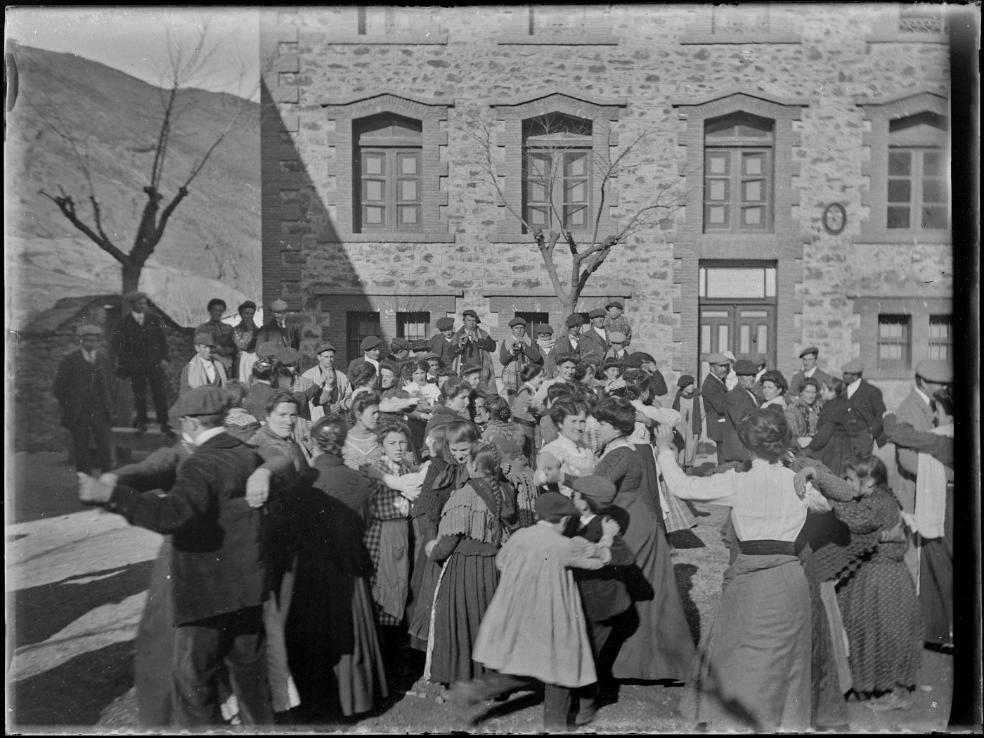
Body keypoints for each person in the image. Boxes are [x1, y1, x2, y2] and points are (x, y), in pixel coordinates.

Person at [77, 386, 275, 726]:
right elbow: (152, 469)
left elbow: (172, 514)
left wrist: (113, 495)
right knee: (251, 681)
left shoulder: (199, 463)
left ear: (189, 422)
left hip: (207, 596)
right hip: (247, 591)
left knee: (192, 682)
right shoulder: (246, 454)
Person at [655, 409, 834, 732]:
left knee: (742, 662)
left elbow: (683, 487)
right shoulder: (798, 482)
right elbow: (826, 505)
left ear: (749, 446)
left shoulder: (738, 481)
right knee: (785, 667)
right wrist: (805, 473)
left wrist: (666, 450)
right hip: (788, 580)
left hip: (752, 581)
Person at [452, 492, 609, 732]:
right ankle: (554, 726)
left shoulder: (520, 536)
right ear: (564, 520)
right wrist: (606, 540)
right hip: (550, 613)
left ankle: (472, 691)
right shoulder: (563, 545)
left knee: (519, 664)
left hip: (517, 611)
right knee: (559, 670)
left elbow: (501, 562)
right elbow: (597, 561)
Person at [286, 414, 389, 720]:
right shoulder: (359, 480)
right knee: (355, 631)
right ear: (342, 443)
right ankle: (357, 696)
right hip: (350, 568)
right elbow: (366, 521)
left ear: (315, 442)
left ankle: (317, 698)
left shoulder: (304, 480)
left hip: (312, 572)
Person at [585, 398, 695, 683]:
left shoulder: (619, 453)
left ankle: (633, 664)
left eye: (604, 424)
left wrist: (565, 477)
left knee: (626, 594)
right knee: (646, 596)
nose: (600, 428)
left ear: (617, 427)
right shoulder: (622, 449)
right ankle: (644, 663)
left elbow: (596, 489)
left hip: (631, 526)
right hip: (637, 521)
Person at [811, 455, 923, 711]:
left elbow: (859, 521)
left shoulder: (878, 502)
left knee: (886, 632)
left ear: (869, 481)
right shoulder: (880, 497)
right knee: (868, 629)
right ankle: (869, 684)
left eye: (849, 479)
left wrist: (830, 499)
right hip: (875, 575)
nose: (845, 483)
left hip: (884, 578)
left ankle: (896, 691)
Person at [427, 443, 517, 686]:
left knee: (461, 622)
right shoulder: (506, 491)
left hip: (466, 570)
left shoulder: (466, 494)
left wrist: (433, 550)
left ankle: (461, 678)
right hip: (494, 569)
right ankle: (493, 681)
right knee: (490, 624)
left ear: (475, 466)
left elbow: (448, 541)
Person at [885, 389, 955, 651]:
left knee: (938, 563)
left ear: (946, 413)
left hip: (945, 505)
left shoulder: (941, 439)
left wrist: (890, 417)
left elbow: (900, 434)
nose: (934, 417)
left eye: (936, 411)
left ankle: (942, 631)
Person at [568, 476, 636, 726]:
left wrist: (600, 549)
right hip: (583, 600)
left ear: (585, 502)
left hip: (601, 604)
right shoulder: (574, 520)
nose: (570, 498)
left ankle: (586, 704)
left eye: (574, 495)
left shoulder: (606, 524)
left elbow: (625, 555)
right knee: (583, 650)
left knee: (589, 655)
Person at [408, 421, 478, 652]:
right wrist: (430, 538)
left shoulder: (479, 466)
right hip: (442, 542)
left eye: (464, 450)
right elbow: (427, 507)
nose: (459, 455)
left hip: (470, 543)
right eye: (454, 450)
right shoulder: (439, 467)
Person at [364, 420, 422, 667]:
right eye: (392, 443)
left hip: (401, 528)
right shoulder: (378, 467)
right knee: (387, 587)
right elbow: (366, 473)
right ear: (382, 445)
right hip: (384, 530)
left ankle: (397, 650)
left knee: (399, 585)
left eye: (401, 442)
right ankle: (389, 656)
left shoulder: (406, 465)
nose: (398, 447)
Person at [54, 324, 115, 474]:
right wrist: (70, 405)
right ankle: (85, 486)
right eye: (87, 340)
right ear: (81, 341)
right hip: (79, 412)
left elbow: (111, 384)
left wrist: (108, 404)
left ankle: (107, 483)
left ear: (98, 341)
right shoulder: (70, 359)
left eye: (94, 340)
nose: (91, 343)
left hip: (100, 410)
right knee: (81, 449)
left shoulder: (103, 358)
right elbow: (58, 388)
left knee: (105, 446)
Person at [115, 290, 170, 434]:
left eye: (144, 303)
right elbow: (122, 347)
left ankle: (163, 422)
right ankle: (142, 422)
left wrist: (164, 358)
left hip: (154, 363)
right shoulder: (124, 323)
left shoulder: (154, 319)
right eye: (139, 304)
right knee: (139, 393)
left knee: (159, 392)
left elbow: (162, 341)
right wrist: (124, 366)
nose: (143, 306)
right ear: (132, 305)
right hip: (136, 365)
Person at [482, 394, 537, 528]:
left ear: (488, 414)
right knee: (529, 521)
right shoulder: (519, 428)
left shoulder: (488, 433)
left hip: (509, 483)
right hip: (528, 479)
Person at [807, 376, 870, 476]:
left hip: (835, 451)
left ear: (833, 392)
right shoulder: (841, 403)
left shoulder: (832, 408)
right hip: (845, 448)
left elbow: (823, 436)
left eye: (824, 389)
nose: (821, 392)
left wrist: (809, 448)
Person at [537, 396, 598, 493]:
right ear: (560, 423)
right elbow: (538, 480)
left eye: (582, 421)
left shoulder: (584, 446)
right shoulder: (553, 450)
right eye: (573, 421)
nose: (579, 427)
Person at [720, 359, 761, 464]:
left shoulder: (754, 395)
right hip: (739, 451)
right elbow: (741, 422)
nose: (752, 379)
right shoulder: (733, 396)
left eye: (753, 375)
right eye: (747, 376)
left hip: (750, 448)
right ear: (738, 377)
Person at [840, 359, 885, 455]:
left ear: (855, 376)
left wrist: (871, 433)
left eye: (846, 374)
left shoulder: (871, 391)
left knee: (862, 465)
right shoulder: (841, 389)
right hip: (845, 437)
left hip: (863, 437)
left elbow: (881, 414)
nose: (843, 376)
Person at [301, 341, 353, 421]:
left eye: (331, 357)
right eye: (326, 357)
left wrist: (340, 406)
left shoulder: (342, 377)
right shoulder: (307, 376)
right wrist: (326, 409)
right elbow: (305, 401)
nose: (329, 360)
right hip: (315, 419)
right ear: (319, 357)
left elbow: (348, 396)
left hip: (336, 418)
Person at [451, 310, 497, 389]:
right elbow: (450, 354)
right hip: (463, 371)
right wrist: (459, 345)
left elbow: (493, 347)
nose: (471, 323)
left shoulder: (483, 333)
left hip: (480, 370)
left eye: (474, 321)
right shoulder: (457, 335)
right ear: (464, 321)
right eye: (469, 320)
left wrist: (477, 340)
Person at [498, 316, 542, 399]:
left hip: (527, 374)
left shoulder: (530, 341)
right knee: (512, 401)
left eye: (521, 328)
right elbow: (502, 361)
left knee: (526, 400)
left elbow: (537, 358)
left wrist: (525, 347)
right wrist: (511, 352)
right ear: (512, 329)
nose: (519, 330)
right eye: (516, 328)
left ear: (525, 329)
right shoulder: (506, 342)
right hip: (511, 376)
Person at [196, 298, 238, 375]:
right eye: (215, 310)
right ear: (210, 311)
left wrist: (226, 351)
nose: (218, 313)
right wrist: (217, 352)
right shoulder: (202, 328)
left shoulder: (228, 328)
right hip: (209, 360)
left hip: (228, 360)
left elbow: (234, 346)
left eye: (220, 310)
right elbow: (199, 348)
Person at [701, 352, 730, 460]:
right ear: (712, 368)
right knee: (724, 459)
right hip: (720, 427)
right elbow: (721, 407)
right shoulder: (710, 384)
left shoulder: (718, 381)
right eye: (721, 366)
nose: (725, 369)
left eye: (726, 366)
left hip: (722, 427)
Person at [511, 363, 545, 454]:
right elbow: (541, 409)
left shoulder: (525, 389)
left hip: (525, 430)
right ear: (532, 377)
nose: (543, 379)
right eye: (540, 377)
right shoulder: (526, 392)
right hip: (525, 431)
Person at [672, 374, 700, 471]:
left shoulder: (697, 397)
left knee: (691, 447)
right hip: (680, 427)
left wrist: (697, 428)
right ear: (683, 387)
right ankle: (680, 465)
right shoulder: (678, 397)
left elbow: (701, 413)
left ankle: (689, 466)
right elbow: (674, 412)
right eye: (688, 385)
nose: (692, 387)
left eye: (692, 384)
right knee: (680, 446)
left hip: (692, 427)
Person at [785, 377, 822, 449]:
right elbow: (793, 435)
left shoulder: (819, 407)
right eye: (807, 392)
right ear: (801, 392)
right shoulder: (792, 409)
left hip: (817, 445)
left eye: (813, 392)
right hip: (800, 448)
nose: (811, 396)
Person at [232, 301, 261, 384]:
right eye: (246, 313)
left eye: (251, 314)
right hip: (241, 360)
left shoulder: (258, 331)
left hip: (255, 359)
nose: (249, 316)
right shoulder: (235, 330)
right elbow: (241, 345)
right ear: (241, 314)